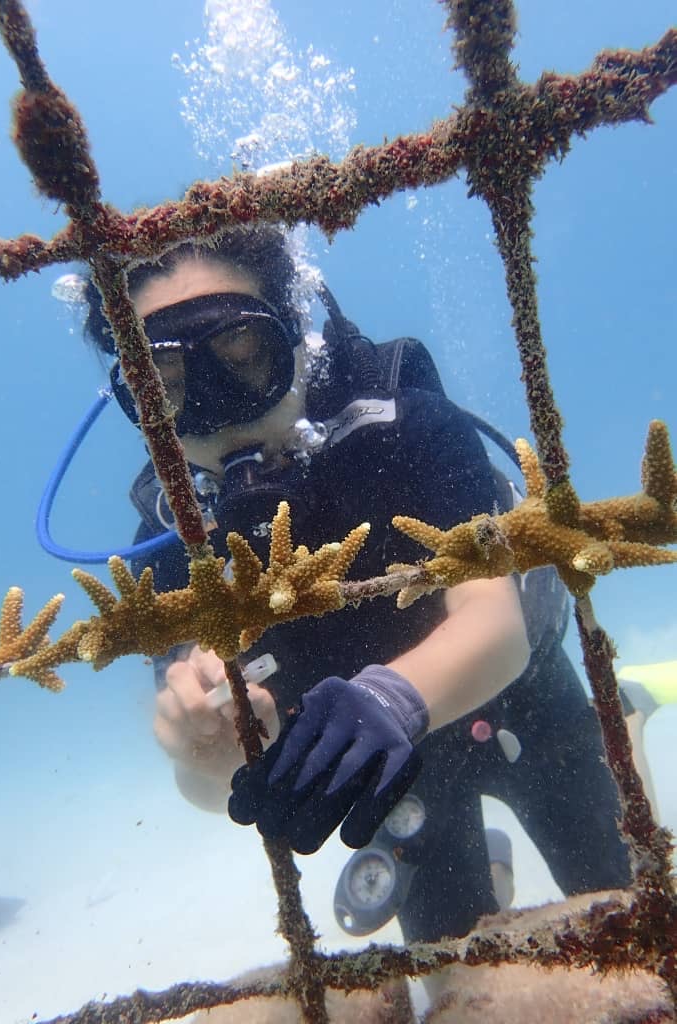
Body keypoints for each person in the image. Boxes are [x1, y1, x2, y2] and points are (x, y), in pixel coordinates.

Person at [81, 224, 631, 947]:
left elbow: (497, 627)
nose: (221, 417)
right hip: (390, 763)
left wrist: (390, 697)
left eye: (245, 362)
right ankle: (491, 874)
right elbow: (211, 789)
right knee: (456, 966)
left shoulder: (406, 425)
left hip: (520, 697)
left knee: (627, 907)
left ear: (297, 342)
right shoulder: (171, 538)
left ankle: (626, 709)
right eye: (172, 388)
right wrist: (205, 752)